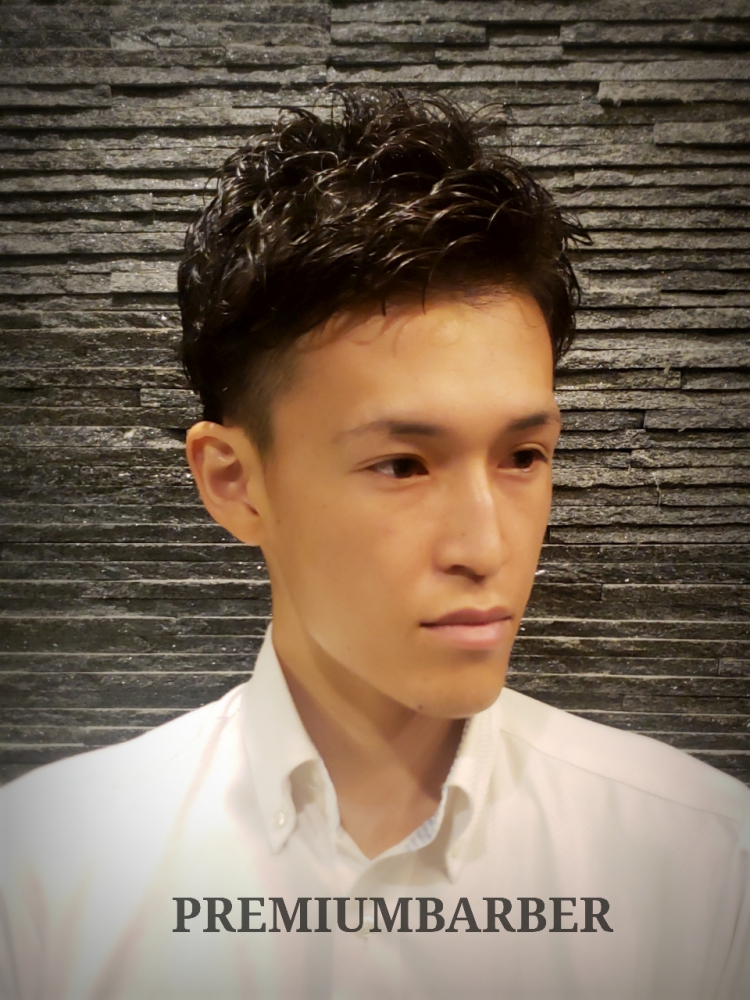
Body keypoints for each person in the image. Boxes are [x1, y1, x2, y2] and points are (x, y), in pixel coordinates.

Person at [0, 90, 748, 1000]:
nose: (486, 546)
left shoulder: (704, 868)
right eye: (401, 465)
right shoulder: (41, 879)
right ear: (234, 482)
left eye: (523, 456)